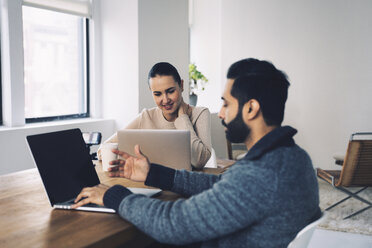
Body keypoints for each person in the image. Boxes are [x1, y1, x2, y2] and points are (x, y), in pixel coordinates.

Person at [73, 58, 321, 248]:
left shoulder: (260, 174)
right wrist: (155, 174)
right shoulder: (294, 157)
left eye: (226, 103)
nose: (221, 113)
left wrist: (114, 195)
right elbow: (221, 183)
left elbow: (172, 223)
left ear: (251, 108)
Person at [98, 62, 212, 169]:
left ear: (181, 86)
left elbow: (199, 161)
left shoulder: (200, 114)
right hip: (150, 183)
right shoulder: (146, 116)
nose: (165, 100)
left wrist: (182, 118)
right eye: (158, 94)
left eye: (171, 91)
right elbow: (102, 150)